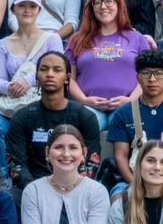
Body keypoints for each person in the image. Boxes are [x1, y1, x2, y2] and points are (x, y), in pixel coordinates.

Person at [0, 0, 65, 187]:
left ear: (39, 9)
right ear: (13, 9)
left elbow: (58, 70)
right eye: (22, 5)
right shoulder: (4, 44)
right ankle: (3, 175)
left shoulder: (51, 38)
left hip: (40, 102)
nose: (27, 10)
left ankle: (51, 173)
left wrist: (28, 81)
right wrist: (12, 87)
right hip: (14, 103)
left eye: (32, 6)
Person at [105, 50, 163, 192]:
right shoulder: (123, 113)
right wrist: (137, 187)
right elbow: (121, 157)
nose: (152, 79)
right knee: (118, 197)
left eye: (159, 74)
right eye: (146, 73)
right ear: (138, 77)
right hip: (132, 181)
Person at [7, 52, 102, 189]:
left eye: (57, 70)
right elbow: (16, 165)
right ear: (37, 77)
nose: (50, 74)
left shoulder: (85, 117)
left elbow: (91, 162)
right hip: (34, 188)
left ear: (67, 78)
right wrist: (37, 191)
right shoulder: (22, 118)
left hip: (76, 188)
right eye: (44, 69)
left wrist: (71, 188)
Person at [66, 0, 149, 134]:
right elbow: (69, 78)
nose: (103, 6)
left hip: (127, 105)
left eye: (109, 1)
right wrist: (84, 100)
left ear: (118, 3)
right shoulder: (76, 39)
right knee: (79, 129)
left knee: (127, 129)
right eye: (97, 2)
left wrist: (131, 100)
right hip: (89, 106)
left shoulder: (136, 38)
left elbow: (147, 75)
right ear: (91, 8)